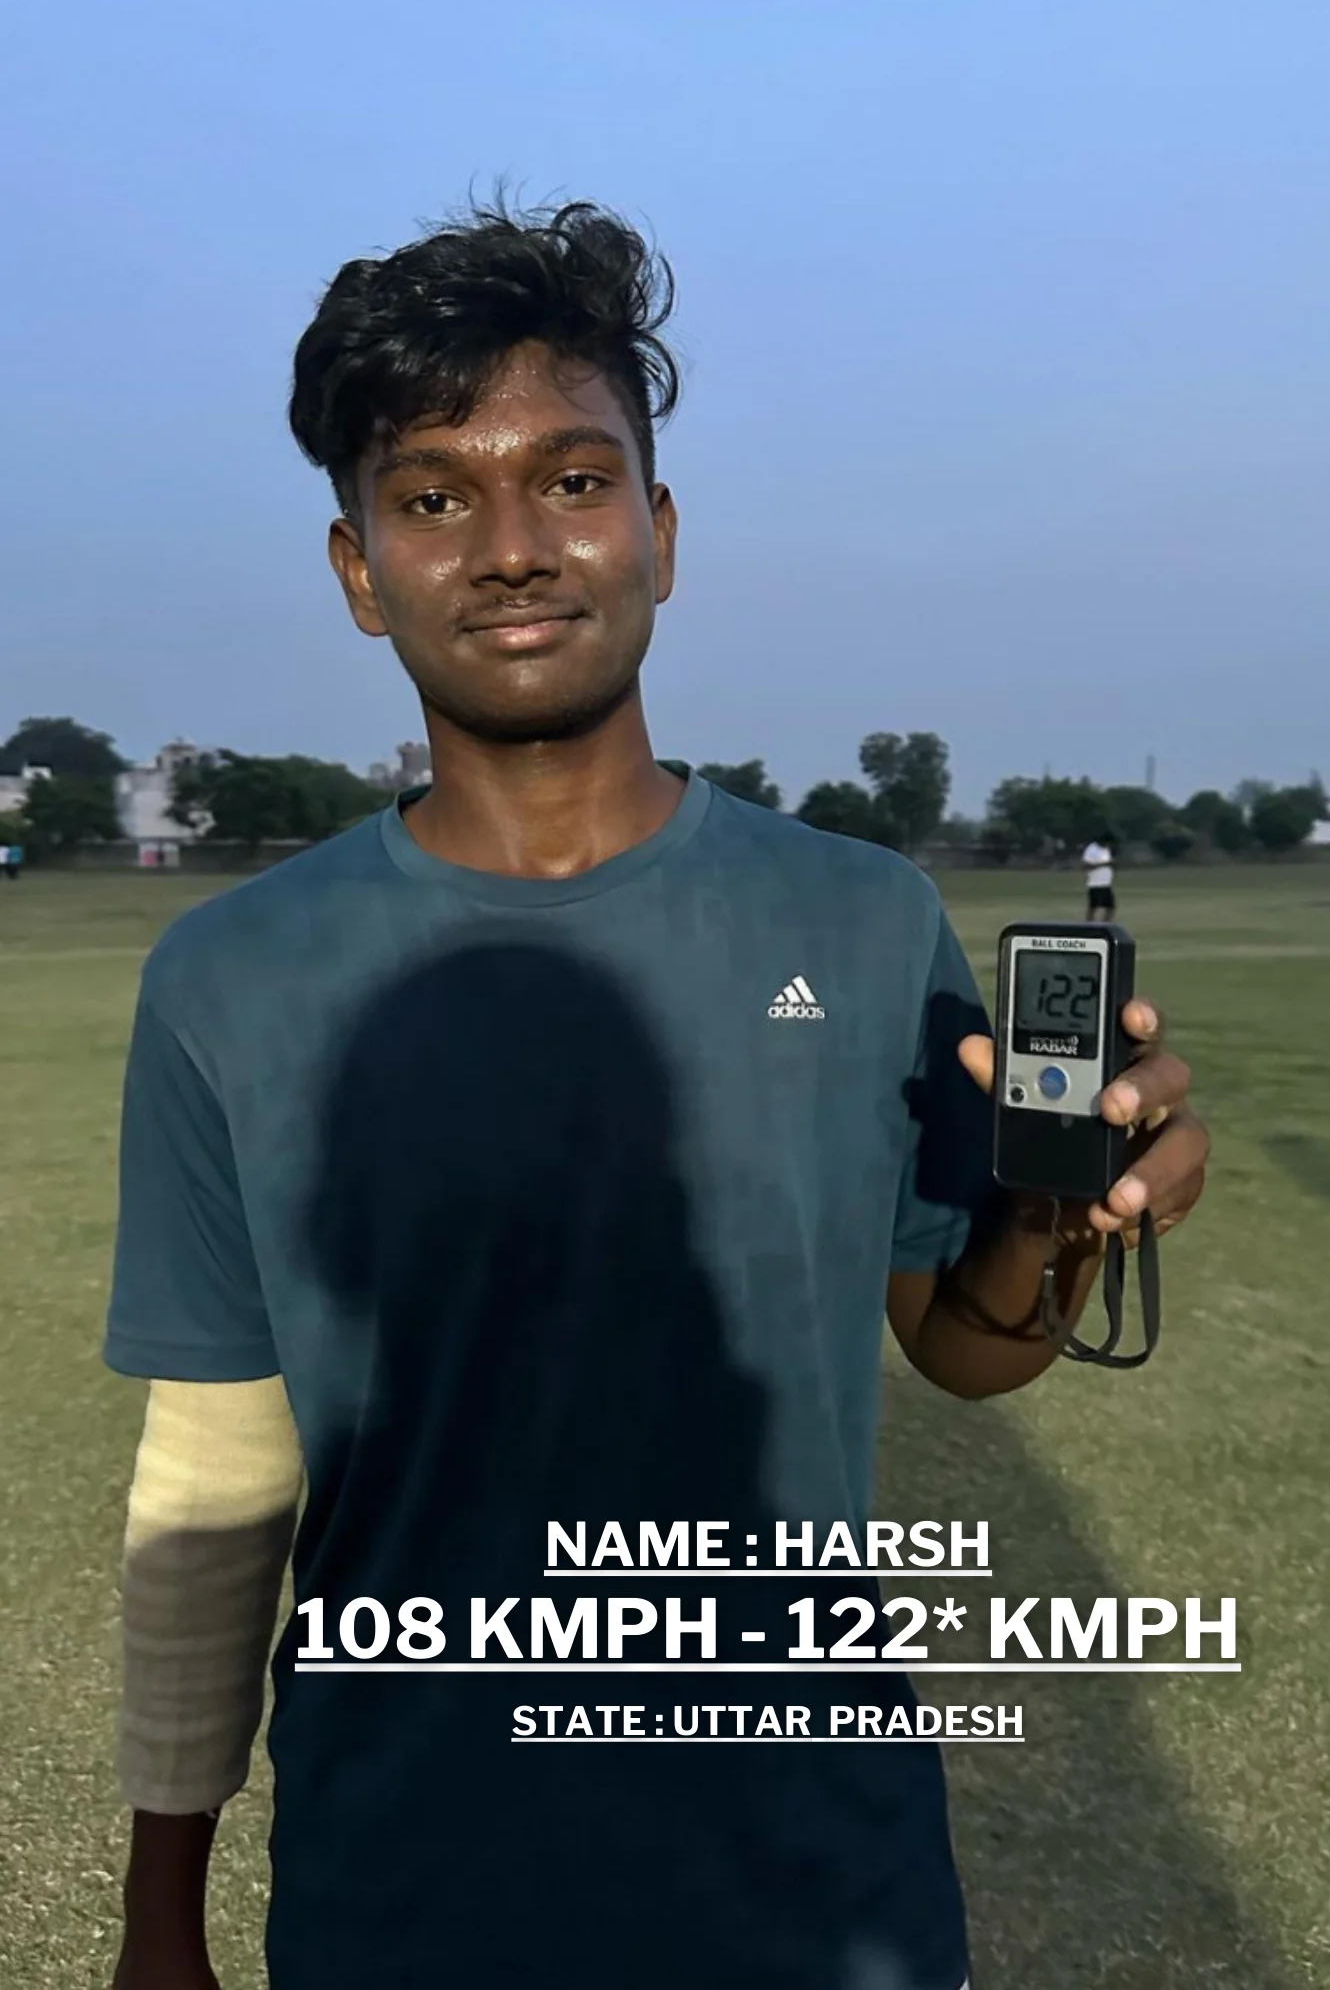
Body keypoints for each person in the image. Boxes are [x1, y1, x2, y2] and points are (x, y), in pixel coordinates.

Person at [104, 198, 1209, 1990]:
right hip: (408, 1892)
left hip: (814, 1891)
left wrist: (1058, 1208)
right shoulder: (231, 976)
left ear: (662, 530)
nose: (516, 546)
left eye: (574, 476)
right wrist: (162, 1919)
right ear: (357, 567)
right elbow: (217, 1476)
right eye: (436, 494)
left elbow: (965, 1339)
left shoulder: (861, 916)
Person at [1082, 833, 1116, 921]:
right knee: (1094, 907)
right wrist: (1104, 864)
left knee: (1110, 907)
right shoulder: (1091, 849)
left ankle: (1105, 925)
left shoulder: (1105, 849)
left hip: (1106, 883)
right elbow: (1086, 866)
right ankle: (1088, 926)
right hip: (1095, 883)